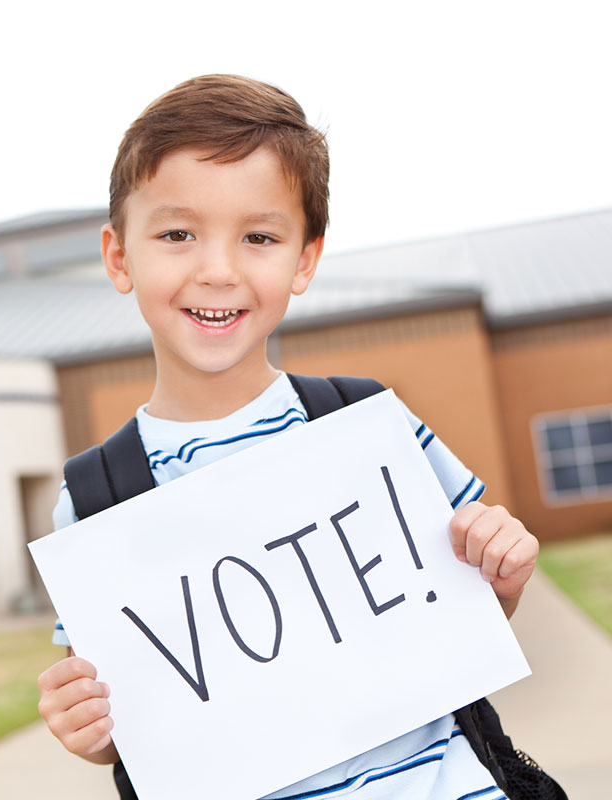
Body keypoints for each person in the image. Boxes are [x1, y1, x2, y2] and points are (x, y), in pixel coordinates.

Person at [36, 74, 539, 799]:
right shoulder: (97, 498)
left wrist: (502, 571)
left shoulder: (368, 424)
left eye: (260, 237)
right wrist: (92, 729)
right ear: (120, 257)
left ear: (304, 259)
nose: (218, 270)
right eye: (177, 234)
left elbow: (469, 618)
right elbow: (136, 723)